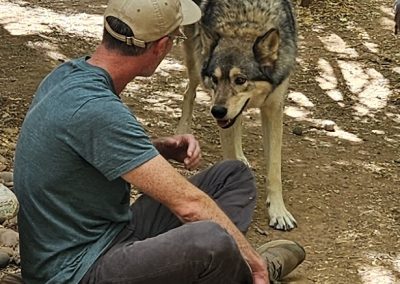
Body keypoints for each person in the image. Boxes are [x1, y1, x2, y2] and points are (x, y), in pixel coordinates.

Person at [11, 0, 306, 283]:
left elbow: (85, 151)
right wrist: (254, 261)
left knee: (233, 176)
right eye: (175, 40)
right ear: (162, 46)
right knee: (210, 239)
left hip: (109, 232)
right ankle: (255, 272)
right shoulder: (97, 110)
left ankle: (208, 268)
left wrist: (156, 148)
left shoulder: (67, 75)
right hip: (76, 271)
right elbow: (189, 205)